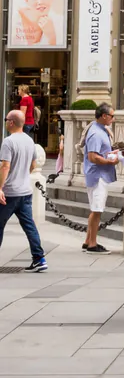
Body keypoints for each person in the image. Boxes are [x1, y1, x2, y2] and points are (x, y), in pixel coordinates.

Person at [0, 109, 46, 271]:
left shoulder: (8, 142)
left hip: (9, 193)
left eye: (6, 120)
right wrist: (23, 176)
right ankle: (39, 258)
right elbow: (33, 165)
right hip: (25, 192)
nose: (6, 122)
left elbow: (5, 166)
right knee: (29, 226)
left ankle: (39, 259)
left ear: (11, 122)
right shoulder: (29, 140)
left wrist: (0, 187)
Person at [82, 102, 122, 253]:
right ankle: (92, 244)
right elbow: (92, 156)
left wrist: (111, 154)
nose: (113, 118)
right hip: (98, 175)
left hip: (97, 174)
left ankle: (88, 241)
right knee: (97, 210)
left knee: (95, 208)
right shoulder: (96, 133)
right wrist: (109, 161)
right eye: (112, 116)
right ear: (104, 116)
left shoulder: (99, 129)